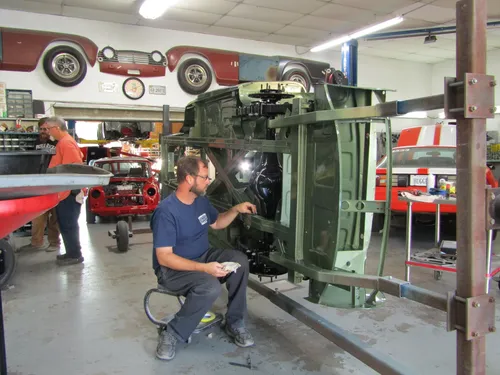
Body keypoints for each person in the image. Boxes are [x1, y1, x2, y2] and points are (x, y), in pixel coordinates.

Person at [150, 156, 256, 361]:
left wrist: (235, 209)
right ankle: (172, 333)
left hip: (201, 257)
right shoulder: (166, 212)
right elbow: (164, 258)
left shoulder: (201, 202)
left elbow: (216, 223)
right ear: (189, 179)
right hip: (173, 270)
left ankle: (235, 322)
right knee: (210, 286)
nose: (209, 181)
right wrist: (204, 268)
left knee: (240, 261)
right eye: (205, 177)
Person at [45, 116, 85, 266]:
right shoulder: (63, 142)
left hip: (69, 191)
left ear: (56, 128)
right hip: (64, 191)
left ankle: (75, 254)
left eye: (49, 129)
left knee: (69, 224)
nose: (48, 132)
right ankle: (70, 252)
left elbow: (73, 168)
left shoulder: (66, 143)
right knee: (64, 223)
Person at [19, 117, 61, 252]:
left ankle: (55, 243)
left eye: (47, 129)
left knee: (54, 216)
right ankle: (37, 242)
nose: (44, 132)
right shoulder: (35, 143)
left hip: (54, 184)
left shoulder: (58, 143)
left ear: (51, 129)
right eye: (42, 129)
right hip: (38, 185)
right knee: (37, 216)